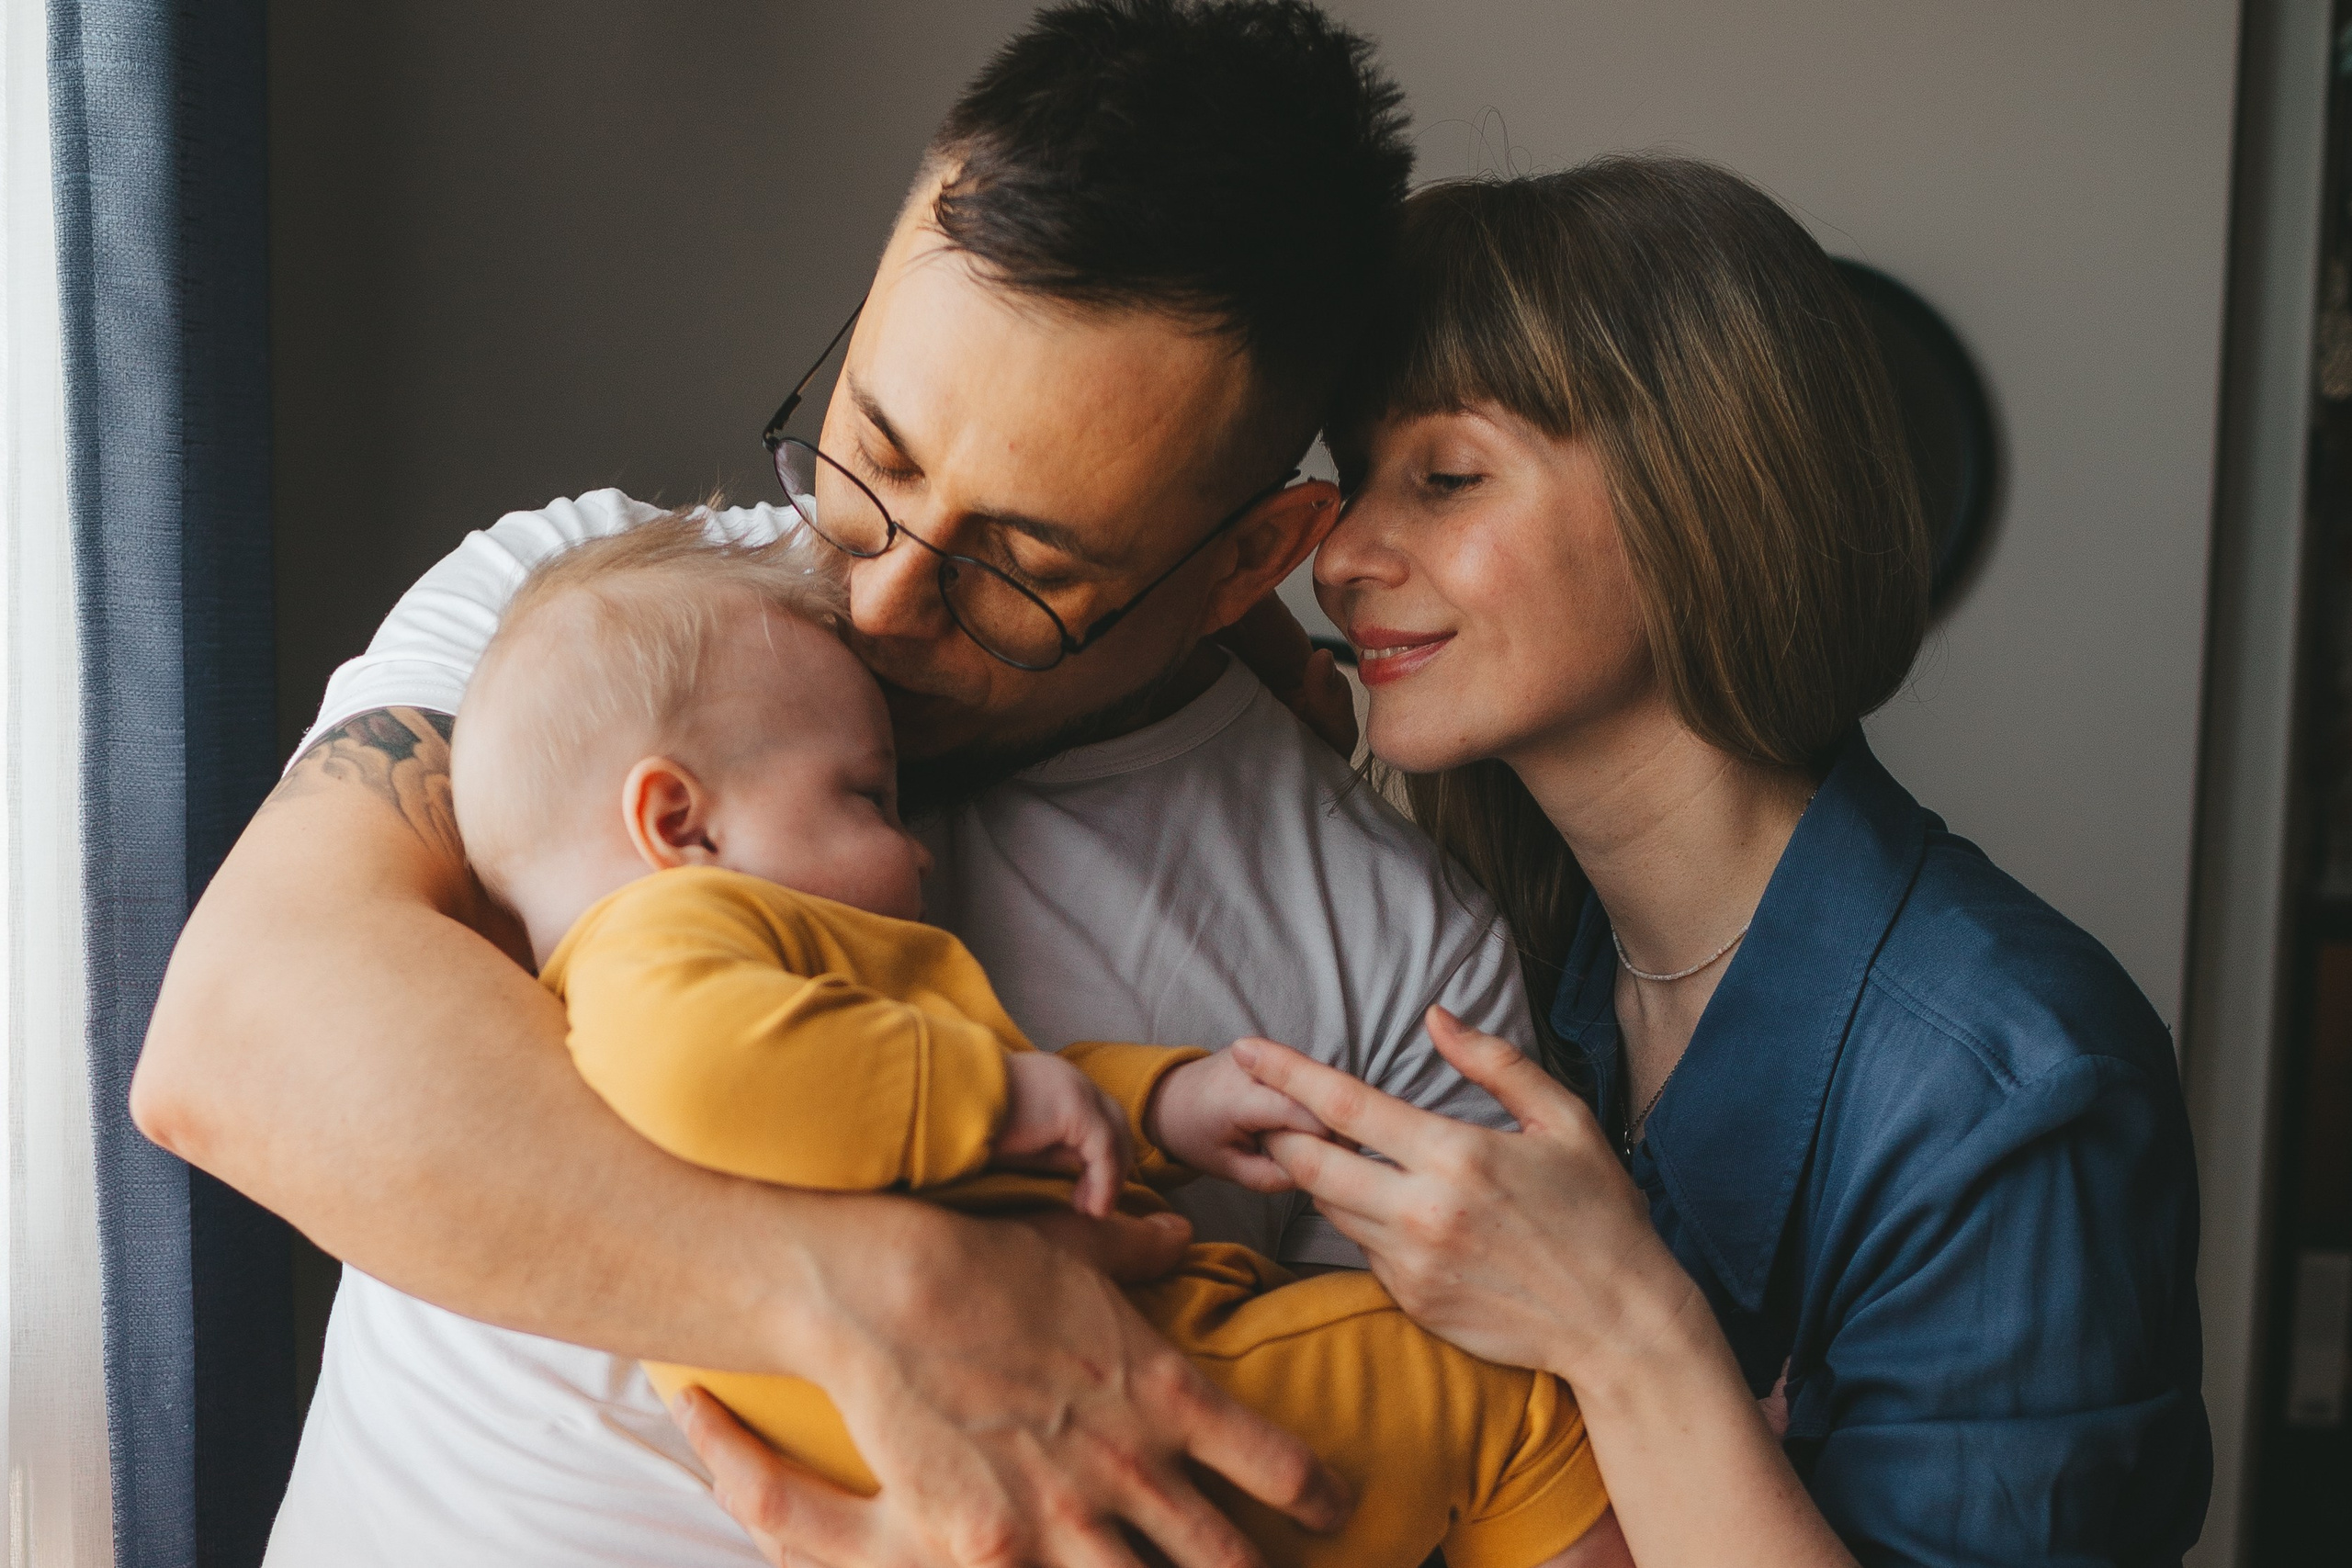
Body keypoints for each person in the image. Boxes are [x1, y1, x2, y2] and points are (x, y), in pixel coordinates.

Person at [135, 6, 1528, 1565]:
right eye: (873, 446)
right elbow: (234, 1046)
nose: (877, 604)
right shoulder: (584, 619)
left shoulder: (1398, 962)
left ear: (1247, 566)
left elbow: (1417, 1495)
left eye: (1025, 569)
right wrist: (874, 1304)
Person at [1214, 159, 2211, 1568]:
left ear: (1701, 498)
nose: (1345, 555)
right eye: (1357, 480)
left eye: (1444, 477)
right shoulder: (1506, 952)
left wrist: (1626, 1331)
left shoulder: (2015, 1085)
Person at [411, 517, 1620, 1568]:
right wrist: (1000, 1099)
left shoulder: (757, 983)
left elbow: (969, 1089)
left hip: (1035, 1432)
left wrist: (1156, 1107)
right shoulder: (659, 947)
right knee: (1518, 1406)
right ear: (679, 821)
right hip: (1106, 1409)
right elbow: (715, 1074)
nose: (919, 847)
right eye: (865, 798)